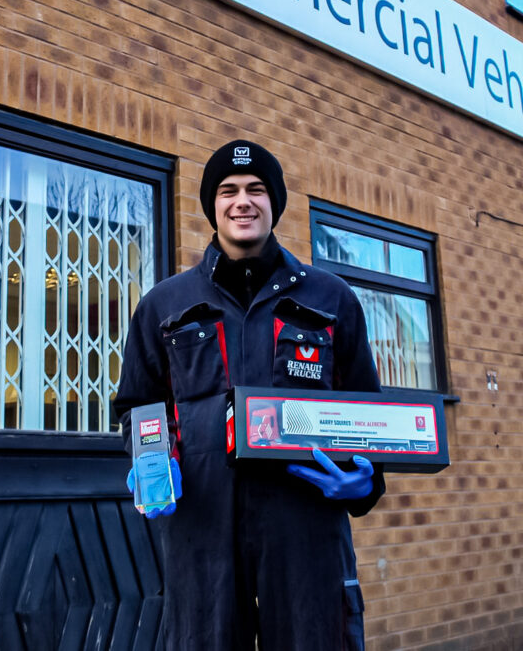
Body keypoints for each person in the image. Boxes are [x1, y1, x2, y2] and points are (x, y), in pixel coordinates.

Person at [114, 140, 385, 651]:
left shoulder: (331, 299)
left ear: (274, 203)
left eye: (256, 190)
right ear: (212, 206)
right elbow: (136, 405)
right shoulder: (164, 305)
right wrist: (151, 457)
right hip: (202, 535)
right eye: (228, 191)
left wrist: (365, 484)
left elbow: (369, 414)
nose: (243, 201)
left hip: (306, 535)